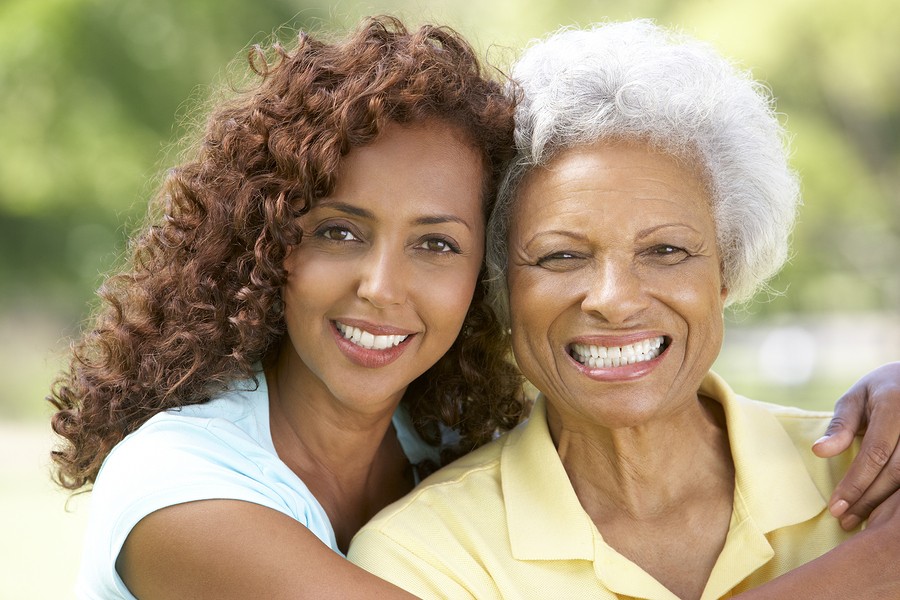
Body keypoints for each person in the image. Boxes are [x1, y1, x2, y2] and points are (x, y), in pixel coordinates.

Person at [347, 20, 900, 599]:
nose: (614, 301)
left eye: (665, 251)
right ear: (499, 286)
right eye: (560, 256)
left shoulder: (876, 472)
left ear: (726, 272)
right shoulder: (424, 556)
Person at [49, 16, 523, 599]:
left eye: (436, 244)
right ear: (267, 242)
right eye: (340, 232)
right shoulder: (176, 484)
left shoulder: (455, 452)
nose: (380, 287)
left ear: (485, 275)